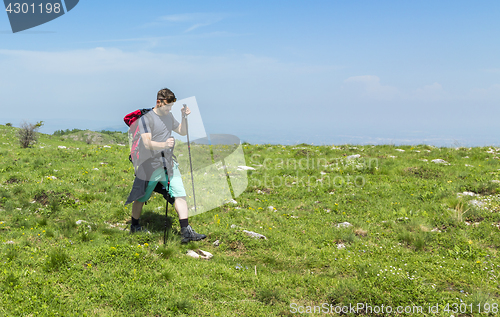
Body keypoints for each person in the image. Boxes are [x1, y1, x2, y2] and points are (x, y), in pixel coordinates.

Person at [125, 88, 206, 243]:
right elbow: (147, 143)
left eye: (171, 107)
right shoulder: (146, 119)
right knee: (141, 197)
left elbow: (182, 131)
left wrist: (184, 117)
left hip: (168, 163)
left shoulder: (169, 115)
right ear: (159, 102)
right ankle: (135, 226)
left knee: (179, 193)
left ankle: (186, 231)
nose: (169, 109)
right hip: (150, 165)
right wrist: (164, 144)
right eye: (167, 106)